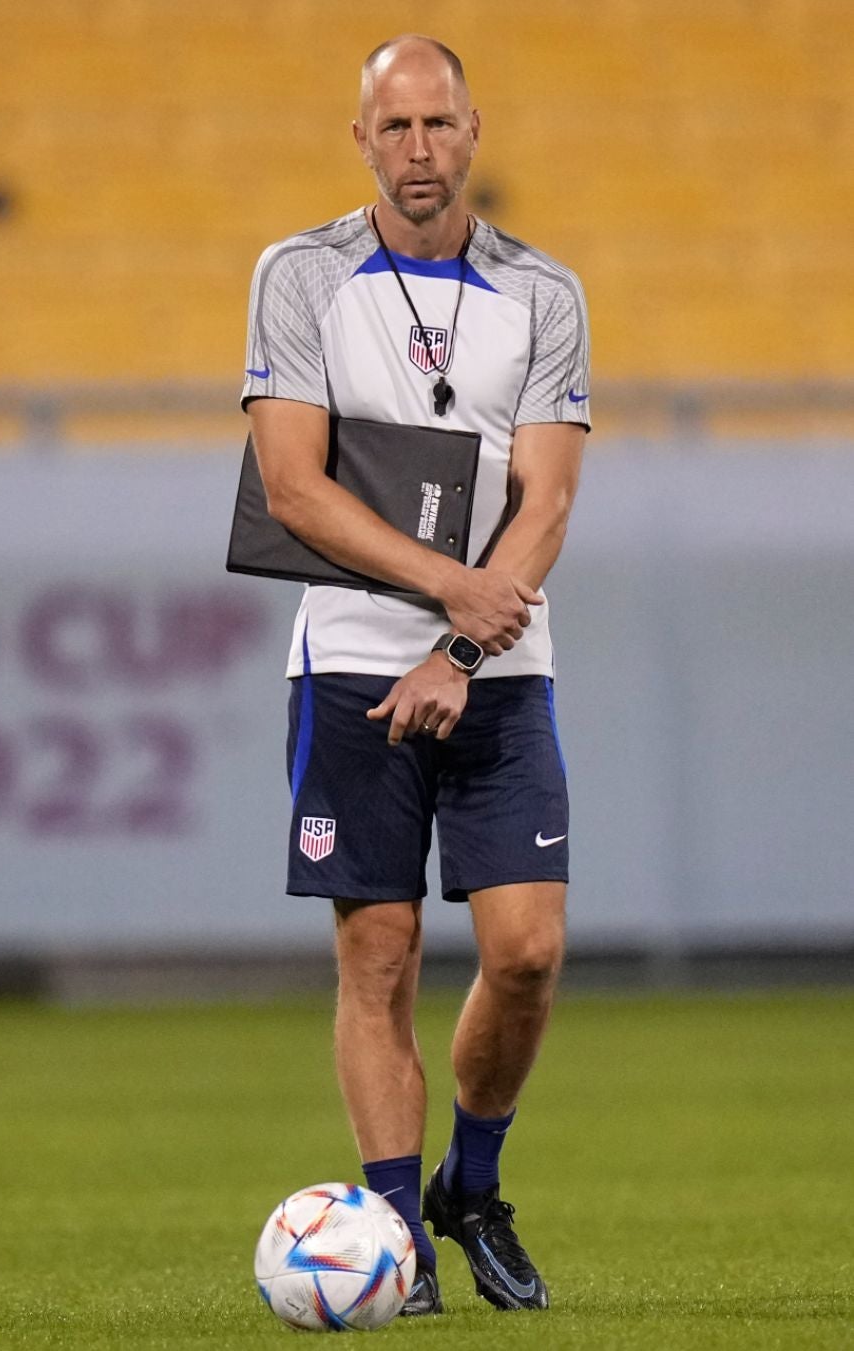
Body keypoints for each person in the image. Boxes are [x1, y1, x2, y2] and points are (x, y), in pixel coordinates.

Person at [241, 34, 590, 1316]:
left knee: (530, 953)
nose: (420, 150)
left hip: (499, 669)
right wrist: (447, 595)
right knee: (377, 958)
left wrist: (460, 643)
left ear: (474, 130)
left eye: (439, 125)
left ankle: (470, 1184)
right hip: (349, 661)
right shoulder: (298, 275)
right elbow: (291, 487)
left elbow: (546, 500)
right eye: (395, 129)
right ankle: (396, 1235)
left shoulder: (544, 293)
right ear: (362, 140)